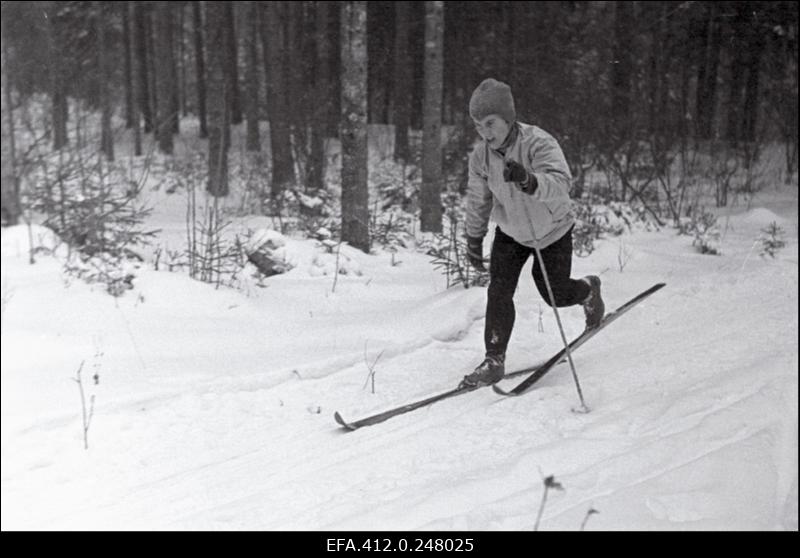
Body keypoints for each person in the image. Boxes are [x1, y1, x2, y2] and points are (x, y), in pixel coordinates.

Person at [461, 78, 604, 387]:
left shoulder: (539, 142)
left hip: (552, 230)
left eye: (490, 123)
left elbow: (561, 184)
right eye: (478, 125)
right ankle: (493, 359)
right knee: (498, 291)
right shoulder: (480, 157)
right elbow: (478, 199)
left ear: (508, 118)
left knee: (555, 293)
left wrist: (529, 180)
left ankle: (588, 291)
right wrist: (474, 238)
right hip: (511, 233)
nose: (485, 133)